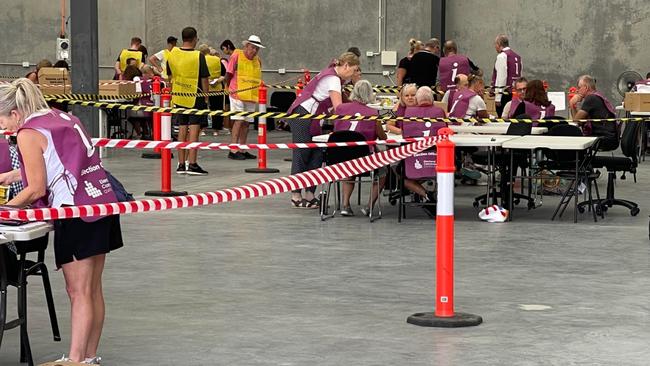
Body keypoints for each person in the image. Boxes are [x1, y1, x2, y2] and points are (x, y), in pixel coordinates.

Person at [0, 78, 123, 364]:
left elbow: (36, 189)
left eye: (3, 120)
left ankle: (75, 360)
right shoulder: (61, 116)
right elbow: (62, 163)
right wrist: (13, 176)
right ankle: (89, 358)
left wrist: (5, 210)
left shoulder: (28, 133)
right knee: (92, 288)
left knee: (78, 291)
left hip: (75, 211)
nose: (4, 128)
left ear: (15, 114)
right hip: (102, 203)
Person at [286, 51, 360, 208]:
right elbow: (338, 107)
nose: (354, 74)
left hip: (315, 117)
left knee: (317, 153)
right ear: (346, 65)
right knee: (302, 152)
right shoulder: (333, 79)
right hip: (303, 114)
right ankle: (296, 194)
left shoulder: (335, 77)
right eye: (354, 70)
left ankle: (310, 193)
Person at [333, 80, 387, 216]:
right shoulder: (373, 113)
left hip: (340, 157)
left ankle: (345, 205)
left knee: (349, 169)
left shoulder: (340, 109)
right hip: (364, 160)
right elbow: (382, 137)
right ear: (370, 94)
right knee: (383, 173)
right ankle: (369, 206)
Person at [167, 26, 210, 175]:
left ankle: (180, 164)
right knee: (194, 128)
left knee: (182, 127)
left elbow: (169, 74)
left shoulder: (173, 53)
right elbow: (204, 79)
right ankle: (192, 163)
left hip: (179, 95)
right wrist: (206, 97)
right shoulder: (198, 56)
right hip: (195, 96)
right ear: (194, 39)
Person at [224, 35, 265, 160]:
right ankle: (233, 149)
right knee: (238, 120)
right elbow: (228, 73)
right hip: (237, 93)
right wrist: (227, 87)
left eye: (257, 49)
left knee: (247, 123)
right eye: (253, 47)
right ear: (246, 46)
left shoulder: (257, 60)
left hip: (250, 95)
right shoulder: (236, 56)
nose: (255, 51)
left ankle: (242, 148)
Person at [571, 75, 619, 151]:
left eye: (579, 88)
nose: (577, 90)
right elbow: (579, 122)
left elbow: (576, 121)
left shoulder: (591, 98)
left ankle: (575, 161)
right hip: (609, 138)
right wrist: (573, 105)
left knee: (570, 135)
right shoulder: (596, 96)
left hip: (602, 139)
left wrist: (572, 104)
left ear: (586, 87)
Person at [492, 34, 522, 117]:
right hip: (516, 93)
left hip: (505, 94)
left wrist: (498, 97)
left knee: (503, 117)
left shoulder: (502, 56)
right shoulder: (517, 57)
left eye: (495, 44)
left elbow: (501, 77)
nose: (495, 47)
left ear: (499, 44)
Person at [198, 44, 226, 135]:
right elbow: (224, 74)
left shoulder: (200, 60)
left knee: (203, 108)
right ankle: (216, 130)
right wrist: (217, 81)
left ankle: (202, 129)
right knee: (217, 108)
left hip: (204, 88)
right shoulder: (218, 60)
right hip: (217, 87)